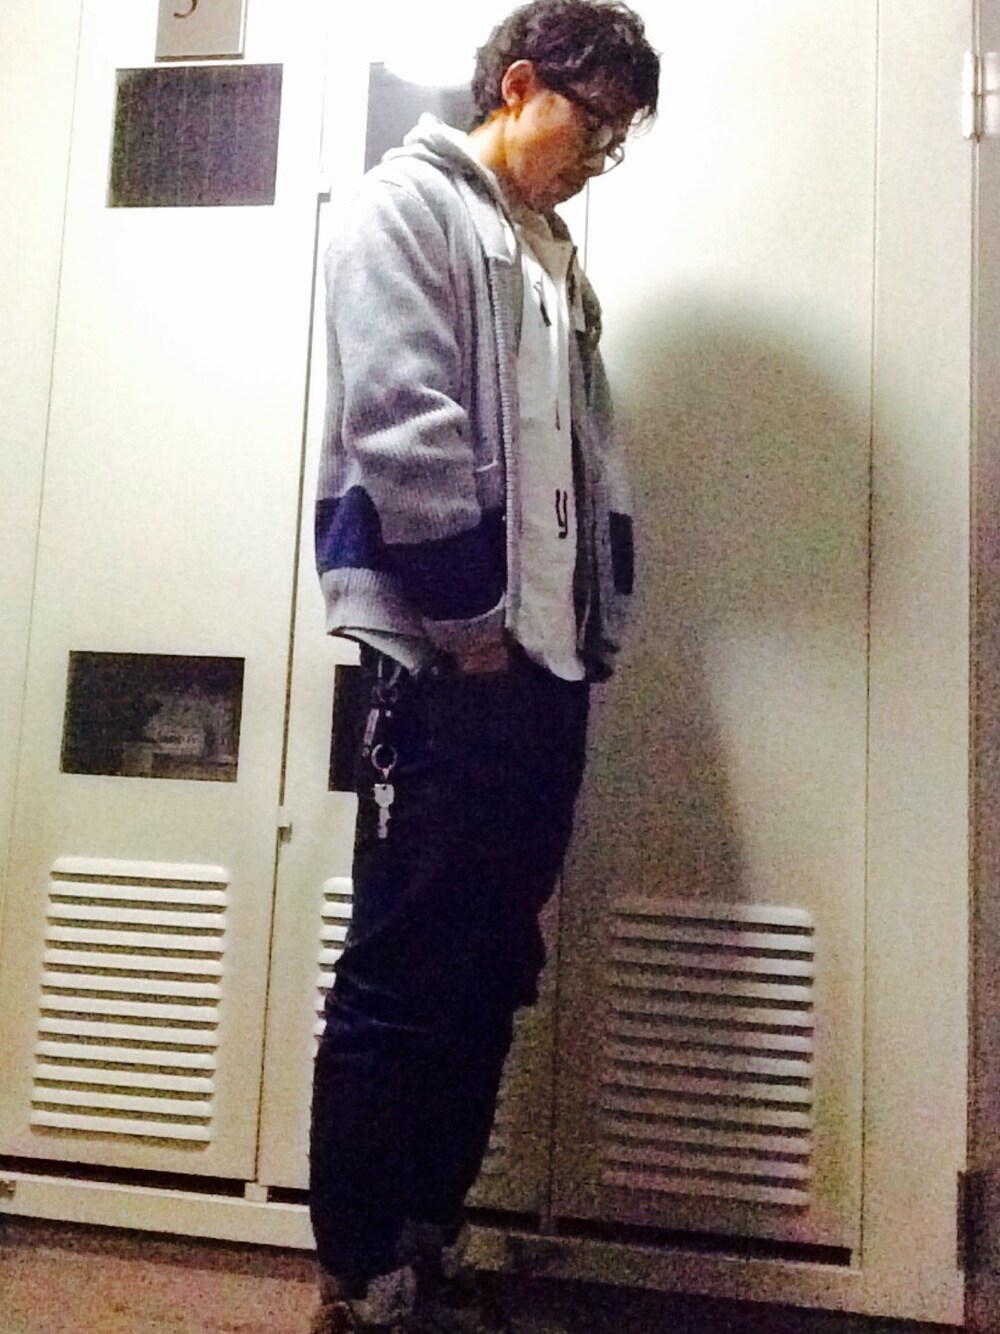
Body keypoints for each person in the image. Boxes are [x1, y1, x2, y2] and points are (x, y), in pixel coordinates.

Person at [310, 3, 659, 1330]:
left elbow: (584, 460)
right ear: (519, 84)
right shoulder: (404, 210)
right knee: (405, 968)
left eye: (619, 141)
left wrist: (593, 624)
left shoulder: (552, 253)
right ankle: (361, 1278)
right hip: (446, 661)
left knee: (490, 967)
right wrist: (465, 625)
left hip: (543, 671)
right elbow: (404, 427)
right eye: (594, 123)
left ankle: (426, 1242)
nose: (600, 157)